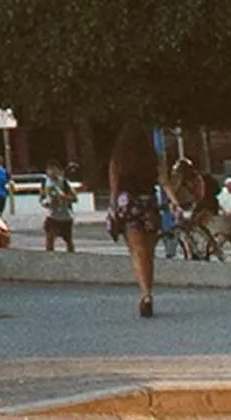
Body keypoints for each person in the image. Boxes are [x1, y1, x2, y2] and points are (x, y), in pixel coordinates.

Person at [106, 121, 164, 316]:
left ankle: (145, 294)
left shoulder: (119, 158)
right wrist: (174, 202)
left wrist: (113, 204)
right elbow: (163, 179)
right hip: (149, 204)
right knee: (149, 252)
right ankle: (150, 290)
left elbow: (114, 181)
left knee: (136, 251)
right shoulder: (152, 157)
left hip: (128, 203)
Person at [40, 160, 77, 252]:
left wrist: (64, 197)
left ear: (59, 171)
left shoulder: (64, 182)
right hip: (52, 216)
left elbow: (75, 198)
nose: (52, 172)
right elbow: (42, 198)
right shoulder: (45, 183)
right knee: (49, 238)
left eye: (54, 170)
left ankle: (72, 257)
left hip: (65, 217)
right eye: (50, 170)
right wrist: (46, 203)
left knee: (68, 241)